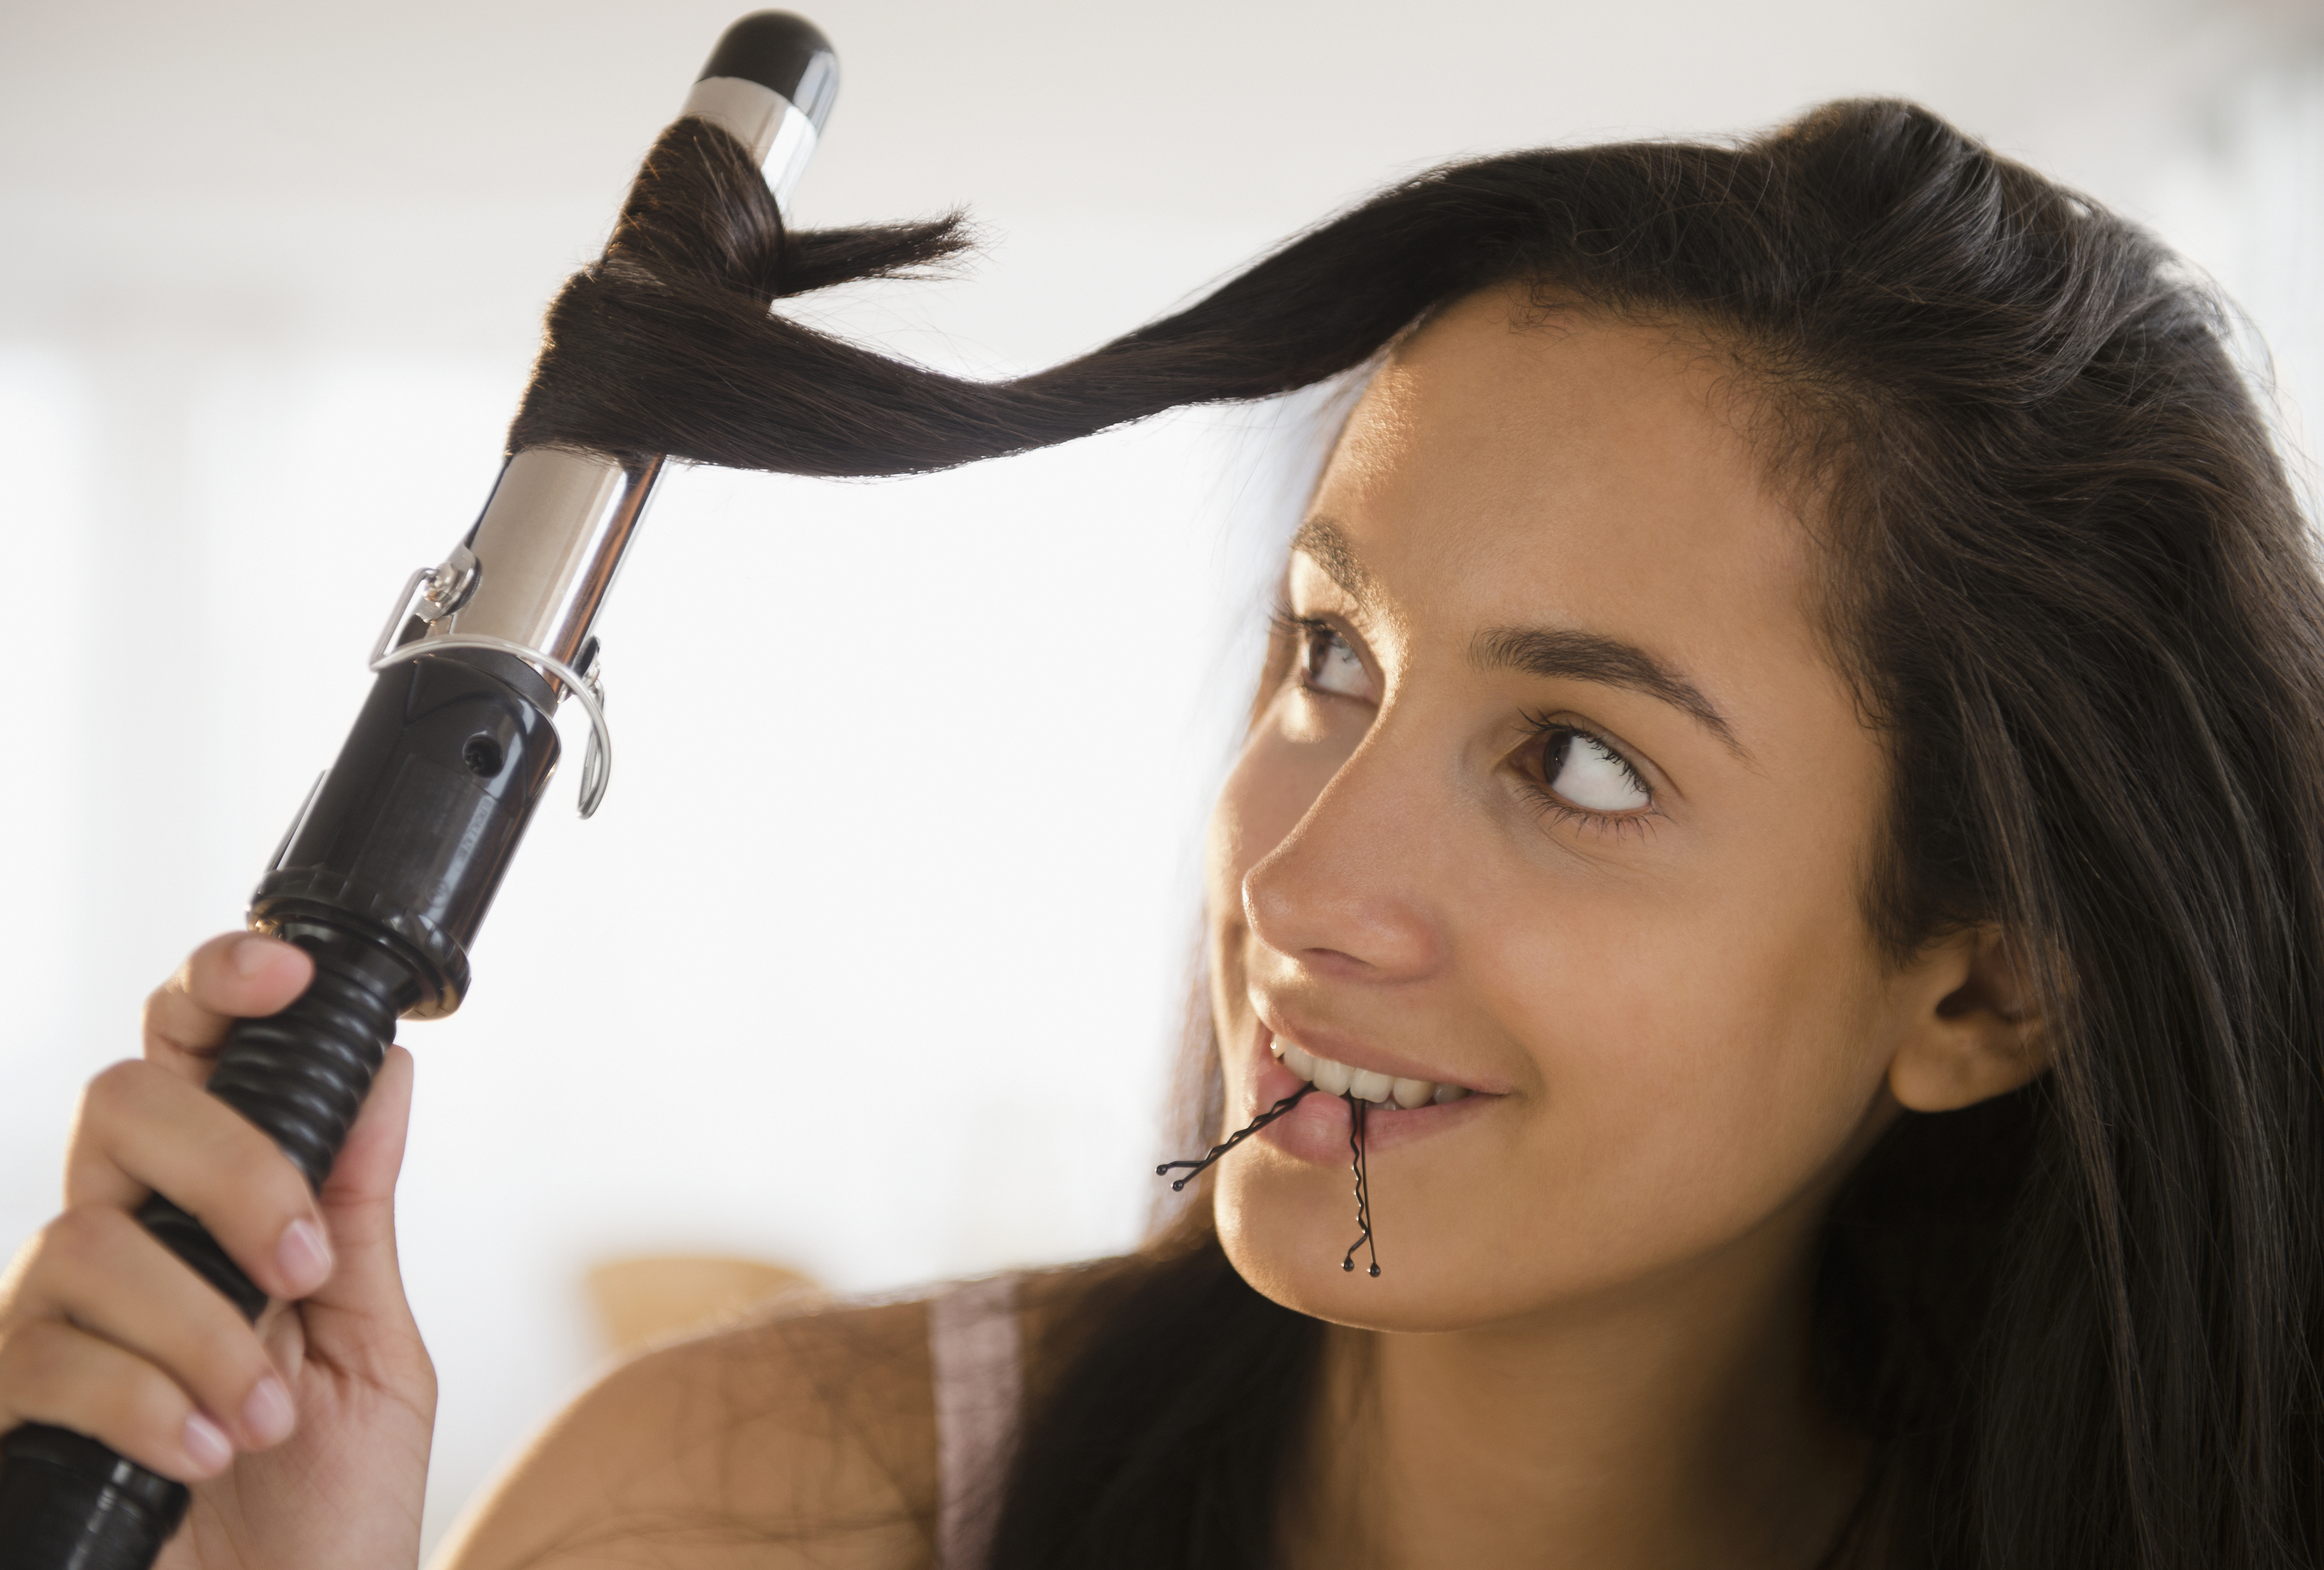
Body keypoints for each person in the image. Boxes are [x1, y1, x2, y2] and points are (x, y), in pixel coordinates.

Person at [3, 96, 2321, 1570]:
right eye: (1330, 657)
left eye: (1577, 763)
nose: (1297, 884)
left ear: (1982, 982)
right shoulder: (737, 1517)